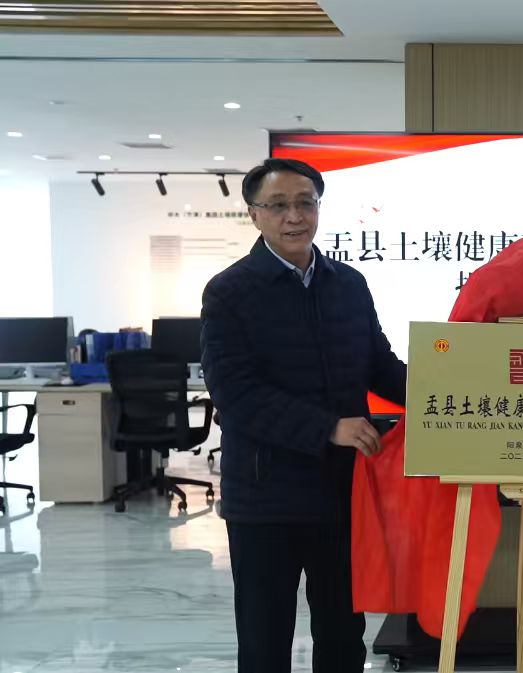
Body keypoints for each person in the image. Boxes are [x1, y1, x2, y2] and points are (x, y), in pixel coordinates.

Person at [201, 158, 407, 672]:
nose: (294, 216)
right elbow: (235, 393)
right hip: (265, 496)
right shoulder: (230, 292)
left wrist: (450, 392)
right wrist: (328, 428)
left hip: (342, 492)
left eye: (304, 203)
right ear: (254, 215)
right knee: (265, 637)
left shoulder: (349, 284)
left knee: (343, 633)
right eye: (278, 205)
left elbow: (380, 367)